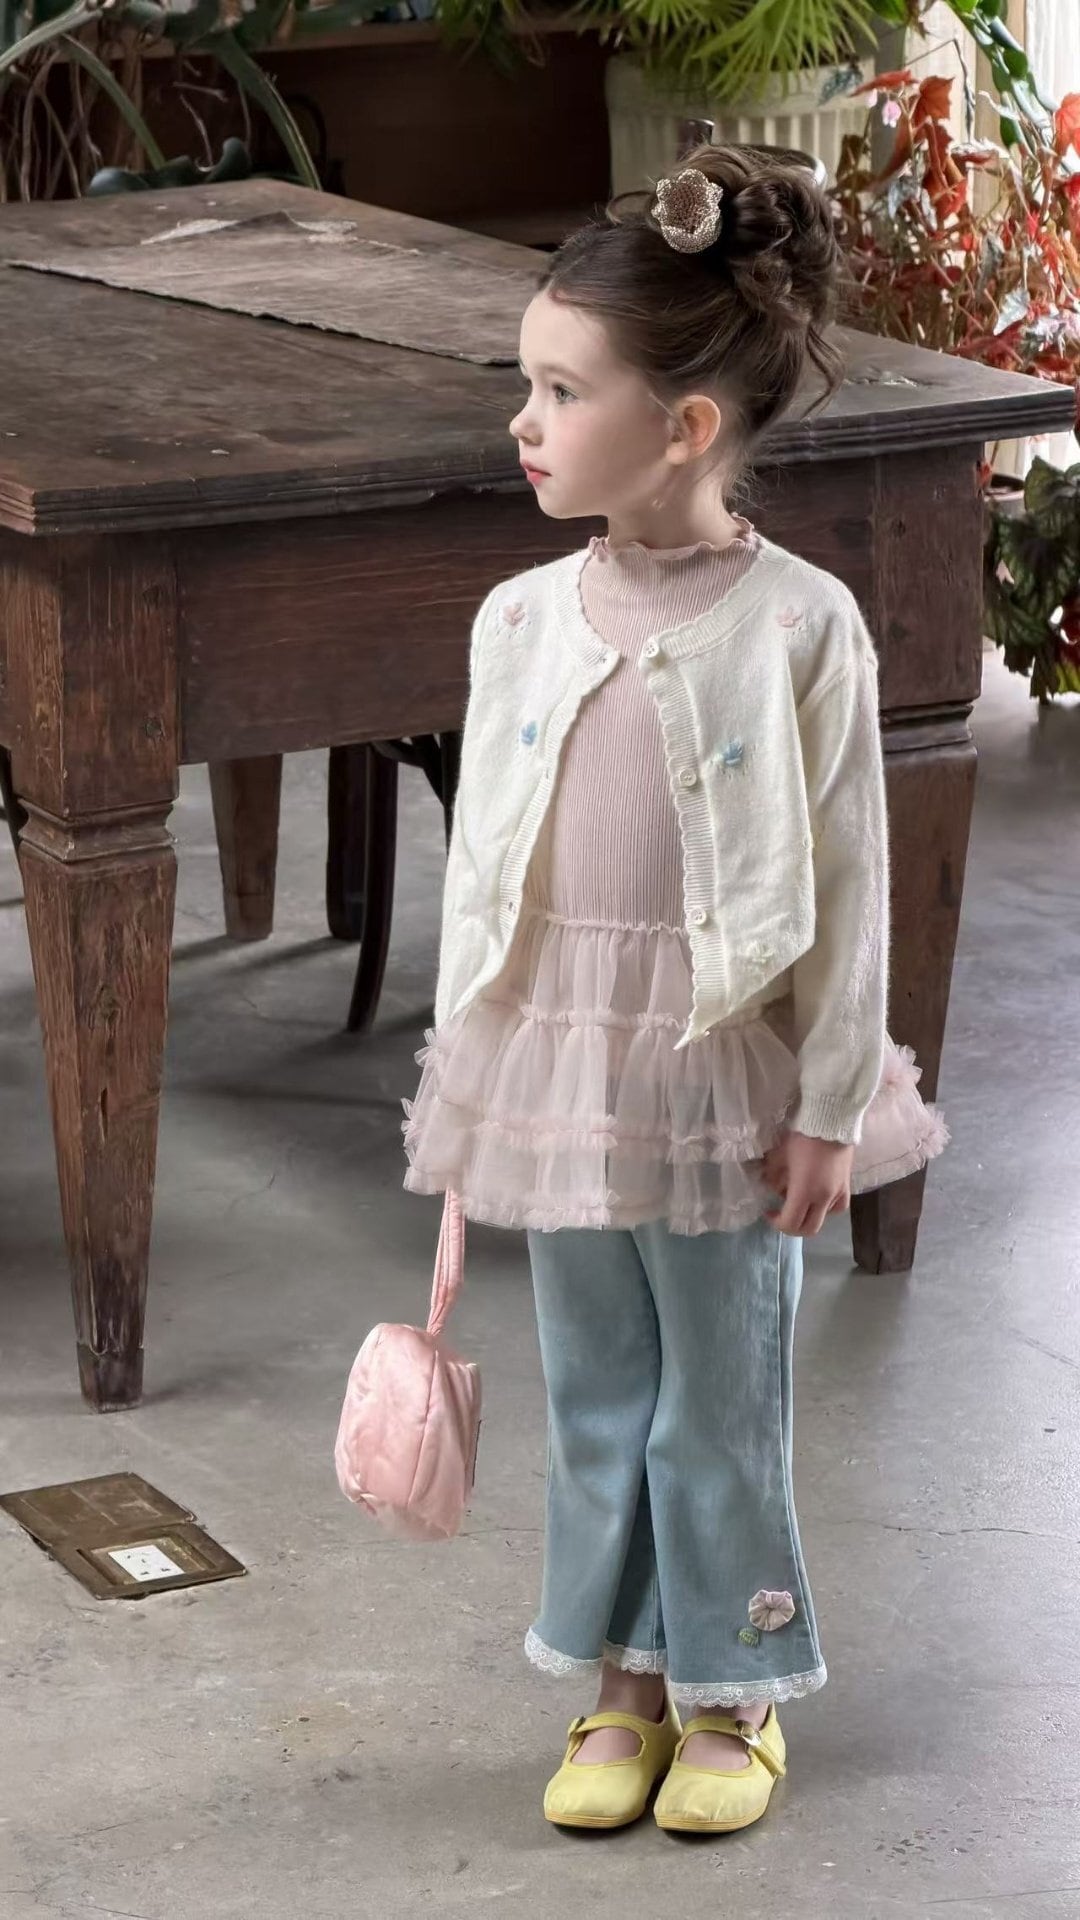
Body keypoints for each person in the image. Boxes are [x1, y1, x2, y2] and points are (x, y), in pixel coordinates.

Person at [401, 146, 948, 1836]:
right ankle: (622, 1678)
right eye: (527, 385)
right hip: (563, 1073)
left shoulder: (801, 627)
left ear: (686, 426)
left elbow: (849, 892)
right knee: (596, 1392)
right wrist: (473, 1070)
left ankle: (735, 1685)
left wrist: (829, 1107)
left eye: (563, 392)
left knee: (718, 1399)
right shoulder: (518, 618)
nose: (524, 422)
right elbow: (487, 872)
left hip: (723, 1076)